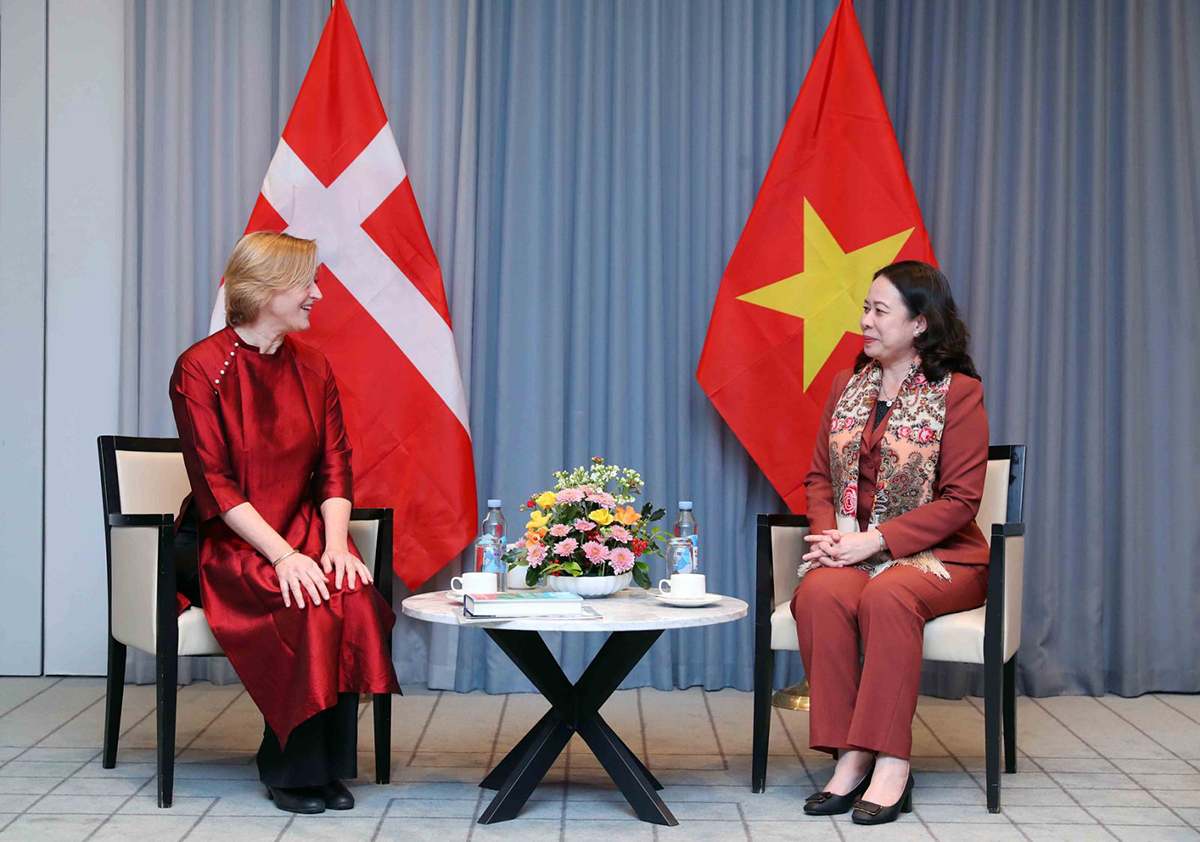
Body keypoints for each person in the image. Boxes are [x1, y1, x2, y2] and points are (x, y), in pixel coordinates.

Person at [169, 231, 400, 815]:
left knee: (351, 595)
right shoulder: (199, 368)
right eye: (307, 283)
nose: (317, 294)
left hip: (299, 531)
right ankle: (290, 770)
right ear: (265, 290)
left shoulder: (314, 366)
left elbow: (335, 465)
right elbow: (215, 483)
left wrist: (336, 544)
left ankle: (323, 767)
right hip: (222, 540)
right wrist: (284, 557)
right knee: (305, 603)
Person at [791, 260, 989, 825]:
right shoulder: (846, 386)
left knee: (889, 595)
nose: (865, 321)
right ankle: (851, 754)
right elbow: (819, 478)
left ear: (920, 323)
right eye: (865, 308)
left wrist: (875, 540)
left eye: (880, 311)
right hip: (855, 549)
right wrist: (832, 537)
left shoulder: (959, 393)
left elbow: (960, 501)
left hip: (945, 557)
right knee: (820, 593)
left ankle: (892, 763)